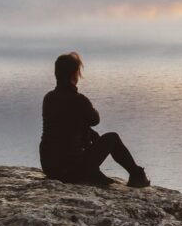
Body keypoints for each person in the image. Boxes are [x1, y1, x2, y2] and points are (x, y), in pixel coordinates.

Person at [39, 51, 151, 187]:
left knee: (84, 129)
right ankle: (136, 174)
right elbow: (95, 119)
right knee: (112, 138)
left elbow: (66, 126)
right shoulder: (79, 100)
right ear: (75, 74)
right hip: (71, 171)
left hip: (50, 168)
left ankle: (94, 172)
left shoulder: (49, 98)